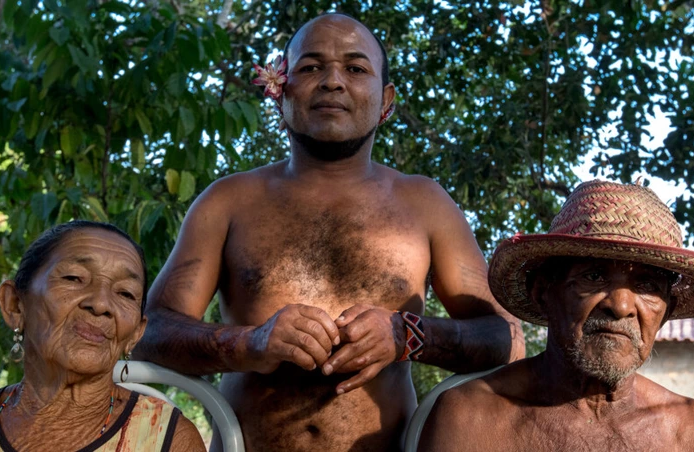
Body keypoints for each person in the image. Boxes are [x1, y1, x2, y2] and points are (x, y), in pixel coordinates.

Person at [134, 12, 524, 452]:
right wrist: (250, 343)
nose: (333, 81)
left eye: (356, 68)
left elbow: (503, 339)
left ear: (386, 101)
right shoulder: (226, 202)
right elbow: (148, 334)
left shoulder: (426, 204)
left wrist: (404, 334)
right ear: (280, 92)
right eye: (310, 67)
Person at [418, 180, 694, 451]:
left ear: (667, 312)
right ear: (543, 291)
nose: (621, 306)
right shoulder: (472, 420)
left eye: (646, 285)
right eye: (594, 277)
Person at [0, 221, 204, 452]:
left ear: (136, 333)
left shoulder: (168, 439)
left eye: (125, 293)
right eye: (74, 278)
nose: (100, 304)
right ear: (14, 304)